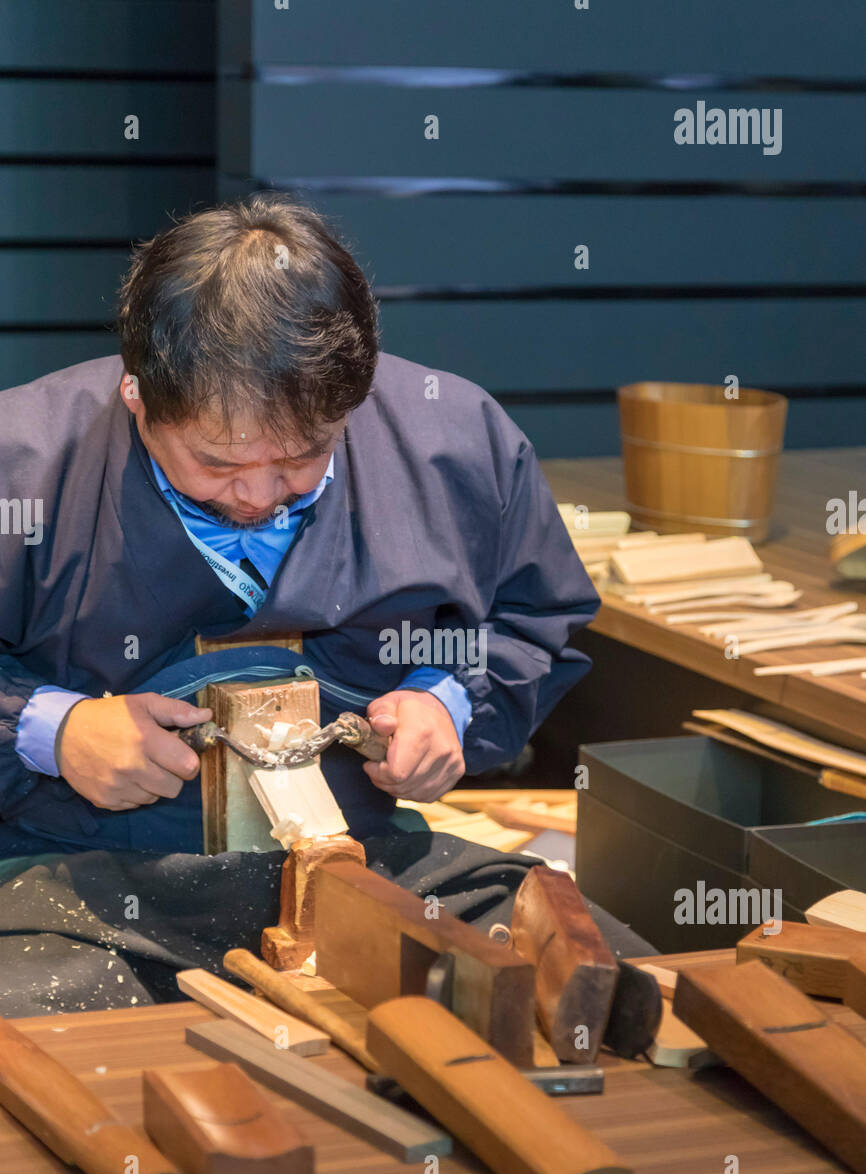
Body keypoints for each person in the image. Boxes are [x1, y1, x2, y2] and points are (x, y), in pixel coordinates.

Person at [0, 192, 599, 858]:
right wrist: (50, 729)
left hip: (357, 856)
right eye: (216, 462)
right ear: (136, 396)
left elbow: (533, 618)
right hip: (71, 867)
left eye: (301, 457)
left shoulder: (456, 443)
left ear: (354, 400)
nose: (258, 494)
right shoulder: (21, 466)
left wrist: (449, 700)